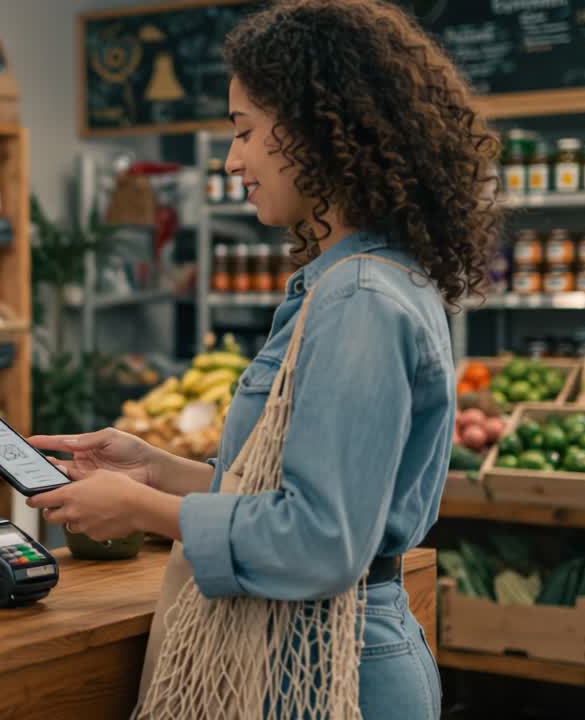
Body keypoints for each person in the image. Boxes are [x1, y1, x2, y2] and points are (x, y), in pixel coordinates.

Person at [27, 1, 499, 717]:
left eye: (245, 131)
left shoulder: (359, 297)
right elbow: (295, 489)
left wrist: (144, 508)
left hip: (337, 665)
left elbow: (321, 540)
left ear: (316, 132)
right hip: (326, 648)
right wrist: (157, 468)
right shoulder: (359, 279)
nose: (232, 159)